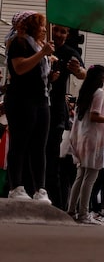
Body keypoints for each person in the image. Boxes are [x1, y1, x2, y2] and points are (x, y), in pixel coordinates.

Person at [66, 65, 104, 224]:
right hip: (93, 139)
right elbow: (95, 117)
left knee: (80, 177)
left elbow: (89, 116)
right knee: (90, 178)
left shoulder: (85, 92)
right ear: (102, 77)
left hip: (83, 138)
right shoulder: (99, 92)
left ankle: (72, 210)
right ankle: (84, 214)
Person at [4, 11, 55, 202]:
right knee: (19, 142)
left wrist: (50, 75)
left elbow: (36, 72)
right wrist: (42, 54)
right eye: (41, 25)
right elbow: (19, 68)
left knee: (39, 145)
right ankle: (15, 186)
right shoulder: (19, 43)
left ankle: (40, 189)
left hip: (41, 99)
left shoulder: (39, 45)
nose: (44, 29)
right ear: (31, 26)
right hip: (21, 99)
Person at [45, 24, 86, 209]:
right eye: (57, 30)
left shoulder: (69, 52)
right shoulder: (39, 46)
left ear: (68, 35)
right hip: (37, 105)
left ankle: (54, 201)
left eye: (63, 31)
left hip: (55, 110)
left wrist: (77, 70)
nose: (59, 34)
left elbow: (83, 74)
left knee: (53, 155)